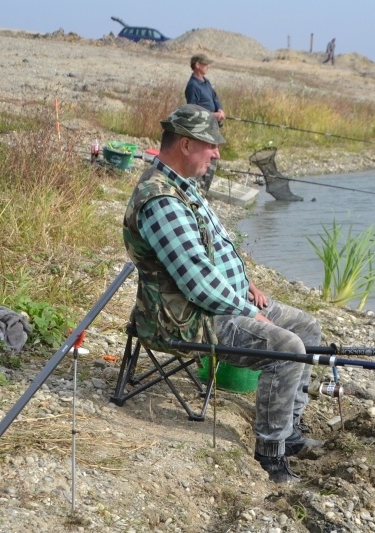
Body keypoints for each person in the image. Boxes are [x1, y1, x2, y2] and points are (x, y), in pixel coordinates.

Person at [123, 104, 323, 484]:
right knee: (287, 349)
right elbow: (197, 281)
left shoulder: (184, 187)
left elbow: (215, 247)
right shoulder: (162, 201)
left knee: (308, 327)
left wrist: (245, 283)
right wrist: (248, 308)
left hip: (222, 303)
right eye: (210, 146)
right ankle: (271, 454)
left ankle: (290, 431)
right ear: (185, 144)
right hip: (190, 319)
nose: (217, 153)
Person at [185, 54, 225, 191]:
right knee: (204, 159)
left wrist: (220, 109)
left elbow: (215, 98)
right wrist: (212, 115)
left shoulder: (206, 82)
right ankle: (198, 190)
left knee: (213, 160)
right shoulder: (192, 86)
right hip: (203, 130)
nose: (208, 66)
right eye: (205, 64)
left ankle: (204, 190)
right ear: (197, 65)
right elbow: (192, 111)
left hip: (213, 129)